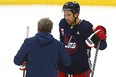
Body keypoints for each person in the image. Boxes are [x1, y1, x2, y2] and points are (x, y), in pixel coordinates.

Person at [58, 1, 107, 77]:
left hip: (80, 70)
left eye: (69, 15)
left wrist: (100, 36)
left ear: (76, 14)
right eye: (65, 15)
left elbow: (102, 46)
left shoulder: (85, 27)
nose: (66, 18)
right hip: (63, 69)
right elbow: (62, 42)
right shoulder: (62, 23)